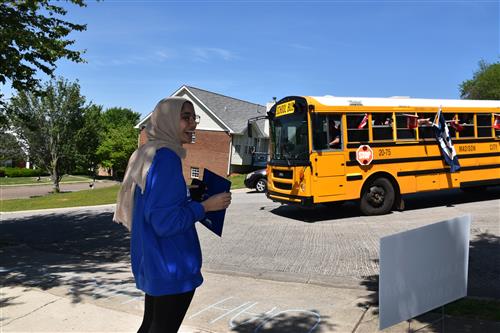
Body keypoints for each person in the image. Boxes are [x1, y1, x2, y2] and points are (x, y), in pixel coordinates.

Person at [113, 97, 232, 333]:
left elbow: (153, 204)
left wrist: (187, 193)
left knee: (150, 326)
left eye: (194, 118)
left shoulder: (147, 152)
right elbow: (165, 222)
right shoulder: (166, 158)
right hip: (171, 264)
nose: (193, 124)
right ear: (167, 120)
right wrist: (206, 206)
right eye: (185, 117)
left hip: (154, 260)